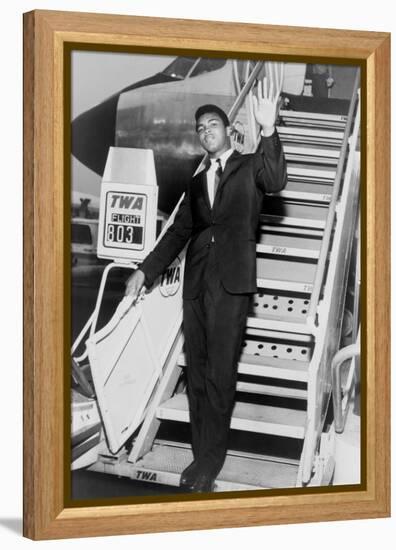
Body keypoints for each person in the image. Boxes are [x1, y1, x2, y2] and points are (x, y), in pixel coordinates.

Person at [125, 76, 287, 493]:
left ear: (228, 130)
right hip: (196, 285)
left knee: (219, 373)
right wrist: (145, 270)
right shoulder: (196, 183)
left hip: (231, 284)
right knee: (196, 375)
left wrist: (269, 129)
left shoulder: (251, 166)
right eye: (199, 129)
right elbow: (179, 232)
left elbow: (276, 181)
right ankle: (200, 457)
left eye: (212, 125)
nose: (205, 132)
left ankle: (211, 462)